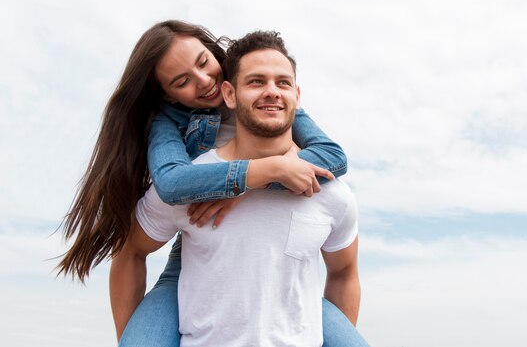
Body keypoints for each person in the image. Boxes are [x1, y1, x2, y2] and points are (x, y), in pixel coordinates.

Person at [56, 20, 366, 346]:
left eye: (204, 62)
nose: (205, 81)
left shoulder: (273, 97)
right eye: (182, 81)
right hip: (191, 257)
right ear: (167, 95)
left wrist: (252, 183)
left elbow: (333, 156)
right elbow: (172, 184)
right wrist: (257, 174)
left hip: (284, 285)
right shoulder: (168, 121)